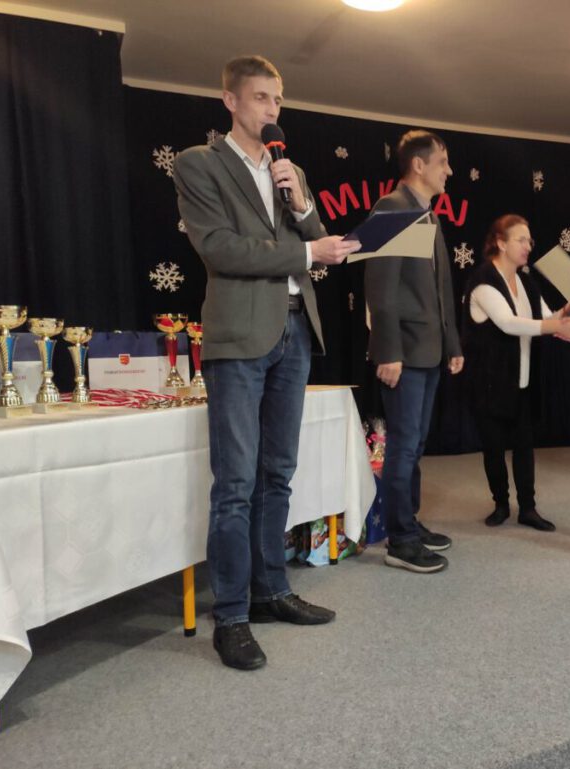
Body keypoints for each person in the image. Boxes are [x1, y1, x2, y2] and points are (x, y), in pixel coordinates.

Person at [174, 55, 361, 670]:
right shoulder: (199, 163)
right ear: (230, 101)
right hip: (238, 337)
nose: (272, 110)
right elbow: (220, 249)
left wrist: (302, 203)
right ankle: (231, 616)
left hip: (295, 329)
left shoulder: (290, 169)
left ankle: (271, 590)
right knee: (235, 483)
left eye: (277, 99)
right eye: (260, 98)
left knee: (278, 473)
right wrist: (305, 249)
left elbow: (318, 239)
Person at [364, 130, 463, 574]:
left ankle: (409, 521)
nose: (449, 171)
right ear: (418, 165)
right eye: (443, 162)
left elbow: (441, 288)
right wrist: (388, 351)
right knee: (403, 447)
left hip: (429, 350)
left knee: (415, 444)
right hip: (403, 351)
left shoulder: (427, 215)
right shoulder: (391, 208)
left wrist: (452, 343)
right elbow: (380, 289)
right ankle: (400, 540)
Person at [462, 214, 570, 531]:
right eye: (521, 239)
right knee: (494, 447)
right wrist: (555, 326)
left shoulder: (526, 281)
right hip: (489, 381)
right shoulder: (483, 281)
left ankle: (528, 508)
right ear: (501, 243)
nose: (528, 246)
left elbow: (546, 318)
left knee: (524, 445)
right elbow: (509, 323)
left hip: (522, 380)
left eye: (529, 240)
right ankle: (501, 504)